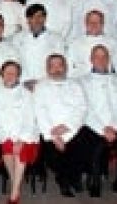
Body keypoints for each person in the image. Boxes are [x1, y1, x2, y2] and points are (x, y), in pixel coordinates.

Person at [0, 61, 39, 204]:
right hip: (6, 135)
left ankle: (14, 194)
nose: (10, 75)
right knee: (7, 153)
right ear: (1, 74)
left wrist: (21, 139)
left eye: (14, 73)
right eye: (7, 72)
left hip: (27, 135)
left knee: (18, 152)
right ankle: (15, 180)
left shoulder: (26, 94)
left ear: (18, 76)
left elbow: (30, 119)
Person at [76, 45, 117, 197]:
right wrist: (103, 129)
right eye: (97, 56)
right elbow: (84, 108)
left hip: (116, 126)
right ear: (91, 59)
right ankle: (94, 182)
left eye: (104, 57)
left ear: (109, 59)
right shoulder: (82, 82)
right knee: (96, 145)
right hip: (93, 126)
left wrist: (115, 127)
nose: (101, 60)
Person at [32, 54, 87, 197]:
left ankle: (74, 178)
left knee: (81, 146)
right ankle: (63, 181)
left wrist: (67, 128)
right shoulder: (41, 86)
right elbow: (40, 111)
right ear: (47, 69)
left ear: (65, 67)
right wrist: (55, 136)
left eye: (60, 65)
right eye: (53, 66)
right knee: (55, 156)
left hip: (72, 128)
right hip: (50, 130)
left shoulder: (75, 85)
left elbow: (81, 108)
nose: (57, 69)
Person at [13, 4, 65, 87]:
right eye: (33, 17)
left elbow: (59, 64)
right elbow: (15, 61)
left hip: (47, 84)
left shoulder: (57, 39)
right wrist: (23, 80)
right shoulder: (17, 39)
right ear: (28, 20)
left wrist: (42, 82)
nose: (37, 20)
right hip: (23, 84)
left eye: (40, 16)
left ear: (45, 18)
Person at [69, 10, 117, 79]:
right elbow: (69, 66)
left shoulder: (112, 42)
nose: (94, 25)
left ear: (103, 24)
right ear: (85, 23)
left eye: (97, 22)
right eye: (91, 22)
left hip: (107, 81)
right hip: (82, 81)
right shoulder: (75, 44)